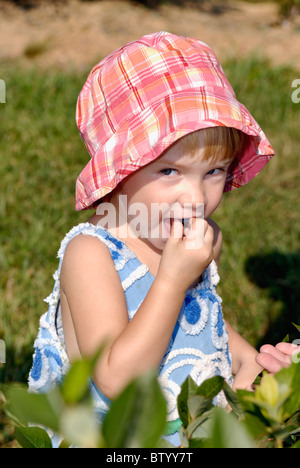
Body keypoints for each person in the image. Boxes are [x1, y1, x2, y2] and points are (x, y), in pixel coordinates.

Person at [28, 31, 295, 447]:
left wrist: (256, 365)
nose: (194, 197)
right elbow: (118, 379)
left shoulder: (197, 243)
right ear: (119, 174)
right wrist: (171, 281)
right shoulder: (91, 254)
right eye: (169, 171)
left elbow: (201, 326)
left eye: (214, 172)